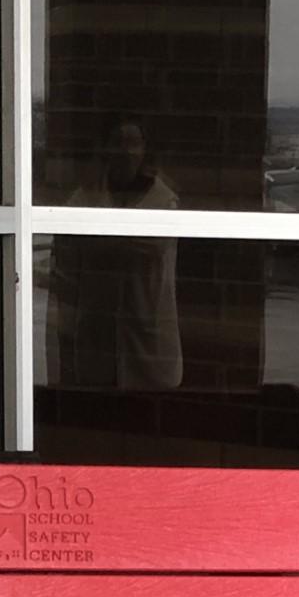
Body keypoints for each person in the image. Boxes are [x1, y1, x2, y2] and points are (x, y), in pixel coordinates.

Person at [52, 116, 183, 391]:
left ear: (145, 149)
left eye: (134, 143)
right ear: (106, 149)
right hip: (97, 329)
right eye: (118, 143)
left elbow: (149, 244)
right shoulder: (84, 198)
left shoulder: (164, 200)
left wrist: (102, 237)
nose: (126, 151)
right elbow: (70, 250)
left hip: (148, 329)